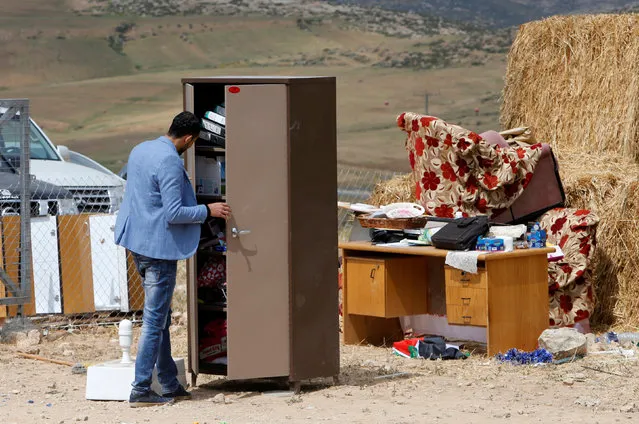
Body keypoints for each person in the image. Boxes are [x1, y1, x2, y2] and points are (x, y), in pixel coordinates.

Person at [115, 111, 231, 407]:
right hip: (158, 249)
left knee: (162, 317)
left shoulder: (141, 149)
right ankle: (141, 388)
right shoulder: (169, 161)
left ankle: (168, 382)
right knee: (155, 320)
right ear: (189, 139)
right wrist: (209, 211)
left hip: (138, 243)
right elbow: (174, 212)